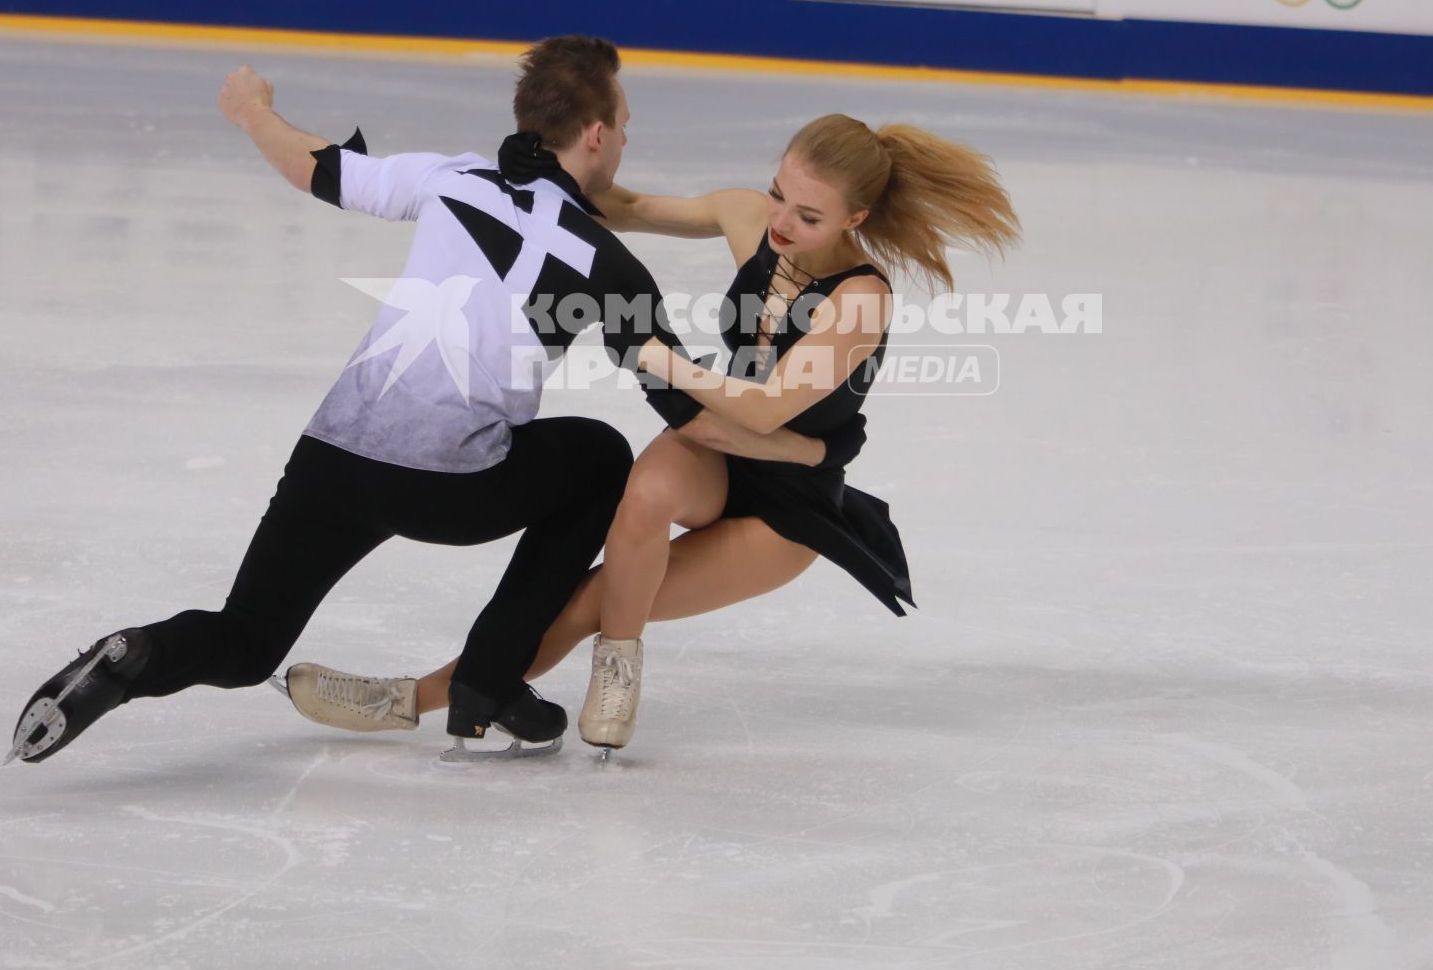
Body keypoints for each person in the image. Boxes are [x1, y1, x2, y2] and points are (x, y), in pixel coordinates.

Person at [4, 36, 852, 765]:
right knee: (598, 456)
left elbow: (320, 169)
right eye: (624, 127)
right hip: (453, 486)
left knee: (244, 639)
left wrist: (254, 111)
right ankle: (488, 674)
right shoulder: (607, 264)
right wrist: (802, 449)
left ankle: (140, 653)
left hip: (332, 459)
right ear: (595, 133)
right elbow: (679, 406)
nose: (625, 141)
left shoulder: (452, 177)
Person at [282, 113, 1020, 756]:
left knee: (587, 599)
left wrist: (660, 356)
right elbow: (623, 206)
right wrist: (538, 166)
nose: (781, 224)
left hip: (786, 507)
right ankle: (616, 665)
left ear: (854, 220)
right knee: (642, 491)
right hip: (717, 450)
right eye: (777, 195)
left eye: (809, 217)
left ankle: (415, 696)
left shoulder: (860, 300)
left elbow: (766, 408)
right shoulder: (747, 218)